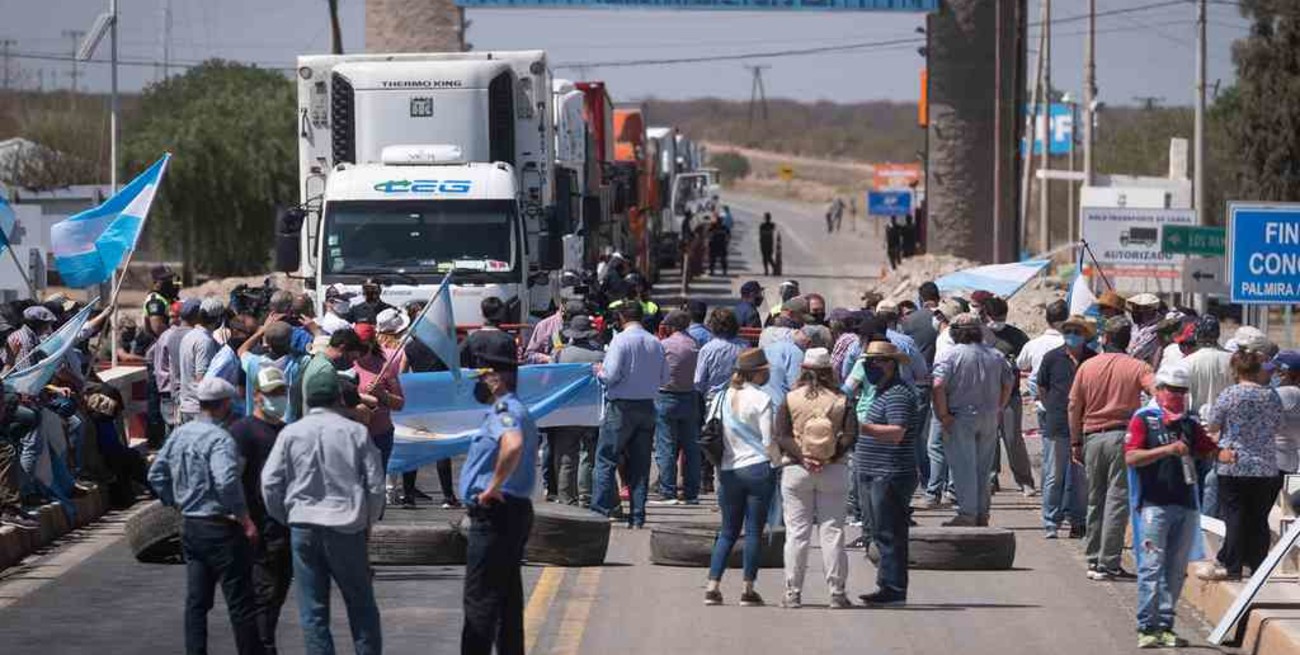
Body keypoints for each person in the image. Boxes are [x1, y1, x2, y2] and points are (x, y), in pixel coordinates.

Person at [261, 361, 385, 655]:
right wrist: (367, 521)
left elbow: (269, 483)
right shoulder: (355, 433)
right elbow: (376, 486)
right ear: (339, 398)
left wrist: (287, 517)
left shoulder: (291, 433)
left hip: (304, 527)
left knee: (313, 610)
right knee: (361, 606)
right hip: (346, 527)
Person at [147, 377, 261, 655]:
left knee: (196, 602)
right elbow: (225, 481)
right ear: (223, 404)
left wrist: (175, 502)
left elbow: (156, 474)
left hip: (191, 524)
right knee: (240, 603)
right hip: (220, 527)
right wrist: (245, 519)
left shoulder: (180, 434)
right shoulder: (221, 439)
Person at [1124, 365, 1221, 649]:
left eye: (1182, 391)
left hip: (1186, 504)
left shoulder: (1188, 423)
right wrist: (1166, 450)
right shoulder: (1145, 419)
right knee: (1152, 567)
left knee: (1176, 570)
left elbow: (1206, 447)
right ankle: (1146, 626)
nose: (1177, 396)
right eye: (1172, 390)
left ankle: (1165, 624)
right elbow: (1132, 457)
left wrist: (1222, 451)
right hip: (1155, 505)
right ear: (1159, 390)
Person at [458, 356, 539, 655]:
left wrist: (491, 488)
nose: (478, 385)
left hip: (496, 514)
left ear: (496, 378)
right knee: (506, 599)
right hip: (512, 513)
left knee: (480, 600)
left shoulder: (504, 410)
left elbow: (513, 444)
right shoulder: (515, 408)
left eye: (481, 378)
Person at [1069, 316, 1156, 581]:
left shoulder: (1087, 367)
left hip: (1092, 437)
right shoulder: (1138, 366)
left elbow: (1073, 406)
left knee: (1095, 499)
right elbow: (1158, 394)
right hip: (1123, 437)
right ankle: (1109, 562)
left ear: (1105, 338)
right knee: (1118, 501)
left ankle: (1094, 559)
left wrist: (1075, 441)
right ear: (1127, 340)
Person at [773, 347, 856, 610]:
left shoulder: (790, 398)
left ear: (803, 370)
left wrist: (804, 457)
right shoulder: (842, 398)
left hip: (797, 470)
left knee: (797, 534)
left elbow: (782, 435)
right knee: (832, 532)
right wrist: (829, 457)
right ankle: (836, 592)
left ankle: (793, 592)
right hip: (834, 469)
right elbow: (851, 435)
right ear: (828, 371)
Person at [1198, 348, 1283, 582]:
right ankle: (1258, 567)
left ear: (1235, 370)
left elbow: (1213, 425)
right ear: (1258, 370)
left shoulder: (1229, 395)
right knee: (1259, 518)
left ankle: (1233, 566)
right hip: (1265, 465)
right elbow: (1277, 426)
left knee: (1234, 516)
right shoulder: (1271, 396)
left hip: (1233, 463)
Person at [704, 348, 778, 607]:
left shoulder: (720, 397)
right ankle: (748, 590)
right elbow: (769, 441)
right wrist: (778, 464)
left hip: (728, 470)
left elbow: (711, 431)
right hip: (758, 468)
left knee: (727, 532)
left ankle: (712, 587)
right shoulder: (762, 399)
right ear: (757, 373)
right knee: (754, 531)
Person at [229, 368, 292, 655]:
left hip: (282, 527)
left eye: (281, 392)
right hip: (256, 528)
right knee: (262, 595)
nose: (278, 398)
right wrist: (243, 520)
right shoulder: (243, 432)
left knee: (277, 592)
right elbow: (232, 479)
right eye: (272, 393)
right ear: (257, 396)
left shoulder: (285, 431)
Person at [931, 313, 1013, 527]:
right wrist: (999, 407)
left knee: (963, 467)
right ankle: (982, 514)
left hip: (960, 418)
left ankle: (967, 514)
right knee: (983, 469)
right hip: (989, 418)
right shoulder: (995, 355)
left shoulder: (950, 355)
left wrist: (943, 415)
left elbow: (938, 385)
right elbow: (1009, 383)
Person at [592, 302, 668, 527]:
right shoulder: (655, 342)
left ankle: (600, 512)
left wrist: (600, 372)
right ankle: (637, 516)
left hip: (621, 407)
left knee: (606, 460)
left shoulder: (620, 340)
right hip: (647, 406)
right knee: (640, 465)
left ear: (622, 318)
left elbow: (611, 374)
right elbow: (664, 379)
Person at [856, 341, 920, 605]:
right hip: (875, 470)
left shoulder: (897, 394)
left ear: (891, 364)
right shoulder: (881, 391)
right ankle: (886, 585)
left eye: (877, 362)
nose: (871, 367)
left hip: (890, 472)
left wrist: (861, 428)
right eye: (868, 362)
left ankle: (893, 588)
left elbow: (896, 433)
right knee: (880, 531)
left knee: (889, 533)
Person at [1036, 315, 1094, 539]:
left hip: (1084, 426)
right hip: (1057, 425)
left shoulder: (1092, 359)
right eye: (1069, 331)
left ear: (1085, 336)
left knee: (1081, 479)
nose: (1072, 335)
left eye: (1077, 332)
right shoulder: (1052, 358)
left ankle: (1078, 522)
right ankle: (1051, 521)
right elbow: (1042, 387)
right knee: (1054, 476)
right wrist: (1053, 407)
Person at [695, 308, 750, 494]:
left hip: (714, 403)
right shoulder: (744, 346)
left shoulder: (707, 349)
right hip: (741, 399)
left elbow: (698, 381)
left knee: (716, 445)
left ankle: (720, 486)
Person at [984, 296, 1036, 496]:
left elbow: (1027, 361)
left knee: (1013, 439)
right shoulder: (981, 335)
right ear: (987, 316)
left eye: (1001, 316)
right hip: (986, 396)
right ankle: (990, 478)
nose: (998, 320)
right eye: (995, 316)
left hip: (1011, 397)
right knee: (989, 439)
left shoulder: (1017, 336)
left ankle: (1025, 480)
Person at [551, 315, 605, 505]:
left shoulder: (559, 354)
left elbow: (551, 380)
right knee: (589, 456)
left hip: (566, 411)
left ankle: (566, 498)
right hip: (591, 412)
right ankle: (586, 495)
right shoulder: (599, 355)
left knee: (566, 457)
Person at [652, 310, 701, 505]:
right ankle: (691, 492)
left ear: (670, 327)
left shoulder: (664, 345)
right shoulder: (694, 344)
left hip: (666, 396)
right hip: (689, 396)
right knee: (691, 447)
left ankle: (667, 490)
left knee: (666, 446)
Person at [354, 317, 406, 476]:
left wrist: (382, 394)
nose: (359, 351)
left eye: (363, 346)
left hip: (380, 435)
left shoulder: (385, 366)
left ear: (372, 343)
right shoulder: (348, 363)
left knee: (376, 484)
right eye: (356, 346)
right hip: (354, 435)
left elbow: (399, 404)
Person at [177, 298, 224, 424]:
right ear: (218, 319)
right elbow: (202, 379)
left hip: (187, 405)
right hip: (198, 409)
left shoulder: (190, 336)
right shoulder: (204, 341)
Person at [1273, 351, 1300, 478]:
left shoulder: (1287, 393)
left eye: (1279, 372)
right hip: (1289, 460)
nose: (1274, 375)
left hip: (1276, 461)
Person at [1126, 293, 1164, 369]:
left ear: (1149, 309)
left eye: (1138, 308)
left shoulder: (1160, 326)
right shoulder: (1136, 326)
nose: (1135, 311)